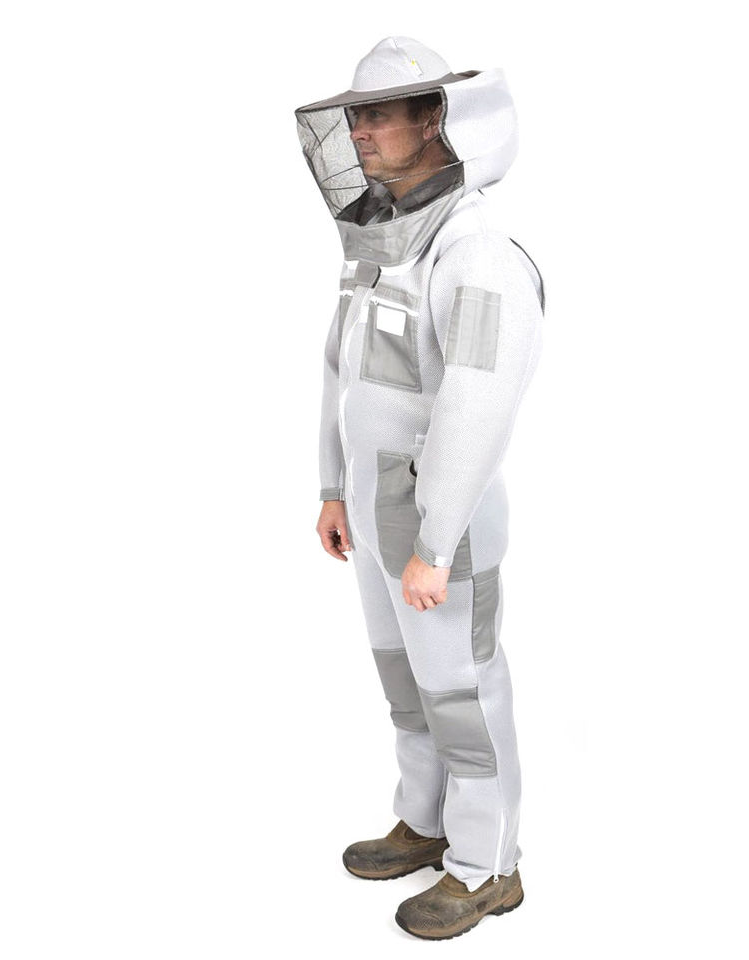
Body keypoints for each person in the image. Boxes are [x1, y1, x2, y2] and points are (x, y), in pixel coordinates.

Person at [294, 36, 545, 941]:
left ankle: (486, 867)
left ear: (434, 120)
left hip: (442, 527)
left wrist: (435, 542)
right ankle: (425, 823)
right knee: (407, 686)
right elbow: (341, 370)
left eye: (377, 115)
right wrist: (334, 489)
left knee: (462, 693)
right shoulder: (378, 242)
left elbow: (479, 405)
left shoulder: (477, 253)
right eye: (353, 116)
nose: (359, 132)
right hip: (372, 514)